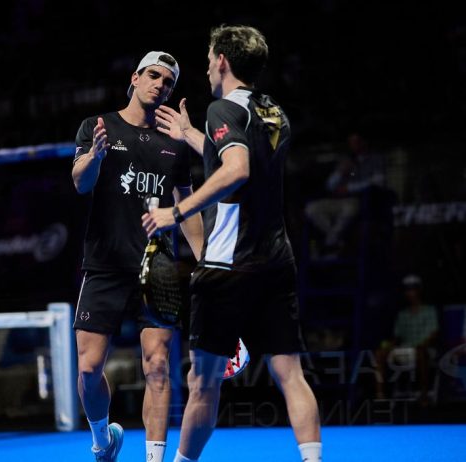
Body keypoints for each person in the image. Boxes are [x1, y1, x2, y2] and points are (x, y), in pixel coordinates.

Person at [142, 25, 322, 462]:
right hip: (276, 259)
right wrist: (191, 136)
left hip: (226, 266)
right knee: (292, 376)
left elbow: (236, 170)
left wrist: (175, 212)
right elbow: (240, 162)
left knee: (203, 384)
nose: (205, 66)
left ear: (222, 59)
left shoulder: (222, 108)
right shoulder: (272, 110)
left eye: (207, 58)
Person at [72, 50, 203, 462]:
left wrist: (205, 262)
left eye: (167, 82)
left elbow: (187, 209)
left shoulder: (174, 141)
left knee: (158, 366)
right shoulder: (98, 127)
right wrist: (94, 155)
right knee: (89, 370)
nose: (159, 85)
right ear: (135, 77)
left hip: (158, 264)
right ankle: (103, 438)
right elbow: (80, 183)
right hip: (105, 265)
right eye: (153, 76)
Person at [304, 131, 386, 258]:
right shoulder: (346, 160)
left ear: (364, 142)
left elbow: (378, 182)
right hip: (338, 200)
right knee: (311, 209)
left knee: (349, 208)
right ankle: (335, 240)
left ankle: (330, 245)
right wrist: (340, 173)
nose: (353, 146)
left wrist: (349, 188)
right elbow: (330, 186)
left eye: (356, 142)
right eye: (351, 143)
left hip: (358, 200)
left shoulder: (376, 159)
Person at [375, 274, 439, 406]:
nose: (410, 293)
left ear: (419, 290)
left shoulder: (430, 311)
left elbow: (434, 333)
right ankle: (380, 395)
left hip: (424, 349)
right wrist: (389, 346)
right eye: (408, 289)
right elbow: (397, 336)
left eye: (413, 289)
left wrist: (423, 345)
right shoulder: (402, 314)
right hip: (405, 349)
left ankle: (424, 394)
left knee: (421, 352)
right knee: (379, 353)